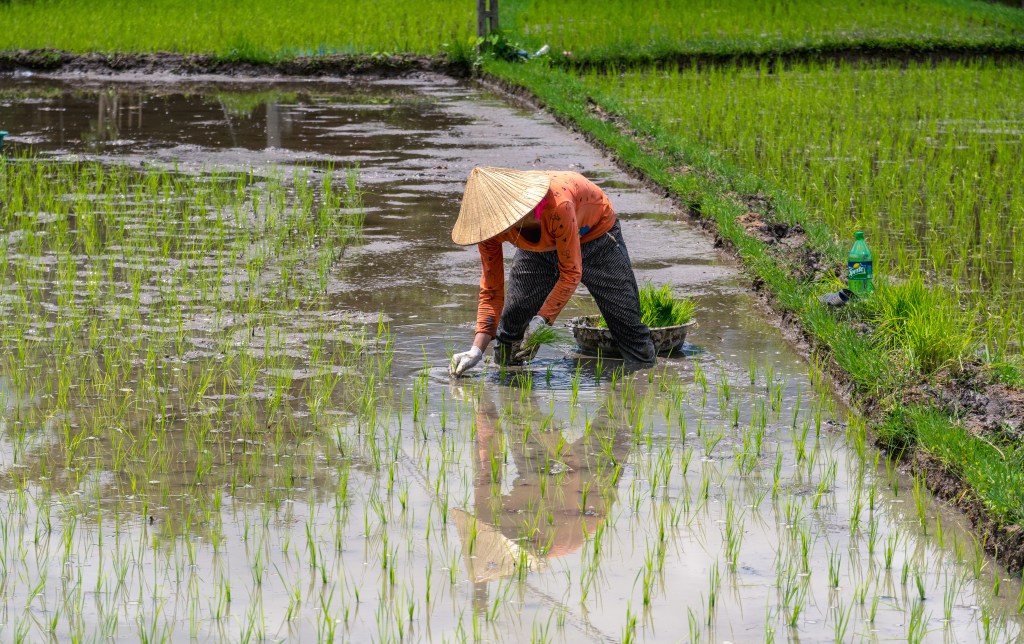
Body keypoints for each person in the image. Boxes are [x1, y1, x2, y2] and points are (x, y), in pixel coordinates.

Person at [448, 166, 656, 376]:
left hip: (594, 237)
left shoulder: (558, 205)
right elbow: (492, 291)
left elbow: (571, 273)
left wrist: (542, 320)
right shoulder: (489, 229)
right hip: (537, 250)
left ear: (516, 213)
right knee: (512, 325)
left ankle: (643, 383)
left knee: (628, 328)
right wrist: (476, 350)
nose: (495, 232)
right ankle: (509, 388)